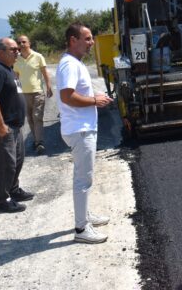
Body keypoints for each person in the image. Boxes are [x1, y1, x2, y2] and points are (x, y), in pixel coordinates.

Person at [56, 22, 114, 244]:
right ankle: (81, 229)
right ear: (73, 40)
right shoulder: (69, 64)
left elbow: (75, 92)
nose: (91, 43)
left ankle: (85, 214)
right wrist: (94, 100)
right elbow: (67, 97)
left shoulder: (73, 63)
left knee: (84, 176)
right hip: (79, 130)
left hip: (82, 128)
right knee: (83, 179)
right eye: (87, 39)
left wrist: (94, 95)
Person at [0, 37, 34, 213]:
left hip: (14, 125)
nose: (17, 52)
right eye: (13, 49)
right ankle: (3, 201)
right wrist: (0, 125)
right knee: (6, 164)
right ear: (0, 52)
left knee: (17, 160)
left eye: (17, 49)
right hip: (3, 126)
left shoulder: (10, 70)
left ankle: (13, 190)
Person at [14, 35, 53, 155]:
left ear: (29, 43)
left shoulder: (38, 56)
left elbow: (45, 72)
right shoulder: (16, 60)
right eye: (19, 42)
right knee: (30, 118)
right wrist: (16, 93)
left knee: (37, 117)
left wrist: (48, 86)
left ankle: (39, 142)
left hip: (37, 92)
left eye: (24, 42)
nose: (21, 44)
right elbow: (16, 77)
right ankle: (36, 140)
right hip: (24, 94)